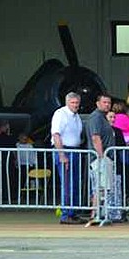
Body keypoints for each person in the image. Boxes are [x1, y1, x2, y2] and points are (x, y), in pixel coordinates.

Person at [51, 92, 84, 224]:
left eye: (77, 103)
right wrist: (61, 154)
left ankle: (73, 212)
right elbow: (56, 134)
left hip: (75, 150)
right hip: (65, 150)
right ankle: (66, 214)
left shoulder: (77, 116)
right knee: (67, 184)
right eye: (73, 103)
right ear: (67, 102)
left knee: (75, 183)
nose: (75, 105)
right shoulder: (60, 114)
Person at [85, 93, 117, 224]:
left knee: (103, 187)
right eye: (104, 102)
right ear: (97, 103)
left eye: (109, 103)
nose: (107, 105)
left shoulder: (102, 117)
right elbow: (95, 137)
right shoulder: (96, 117)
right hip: (100, 158)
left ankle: (99, 213)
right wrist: (102, 156)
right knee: (100, 187)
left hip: (105, 157)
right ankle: (96, 214)